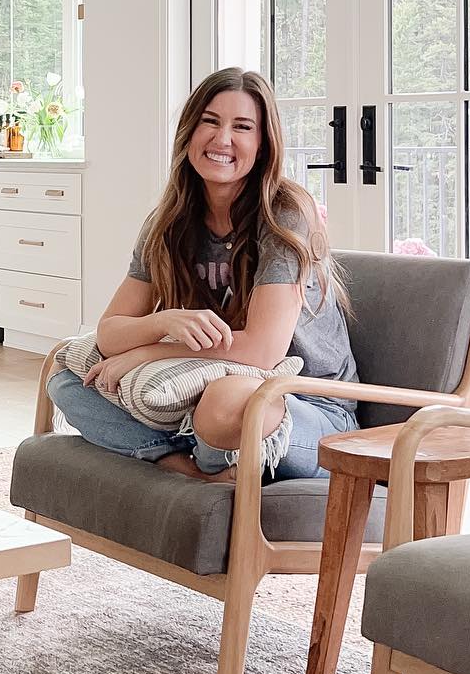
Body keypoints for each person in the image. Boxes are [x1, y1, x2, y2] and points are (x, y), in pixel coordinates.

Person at [49, 67, 357, 480]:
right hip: (203, 390)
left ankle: (193, 461)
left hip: (308, 404)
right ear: (189, 132)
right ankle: (196, 470)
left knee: (226, 401)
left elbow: (262, 352)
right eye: (210, 121)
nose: (222, 139)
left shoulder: (284, 214)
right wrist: (162, 322)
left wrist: (150, 351)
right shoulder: (169, 221)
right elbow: (109, 334)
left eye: (242, 127)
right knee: (69, 376)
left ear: (264, 144)